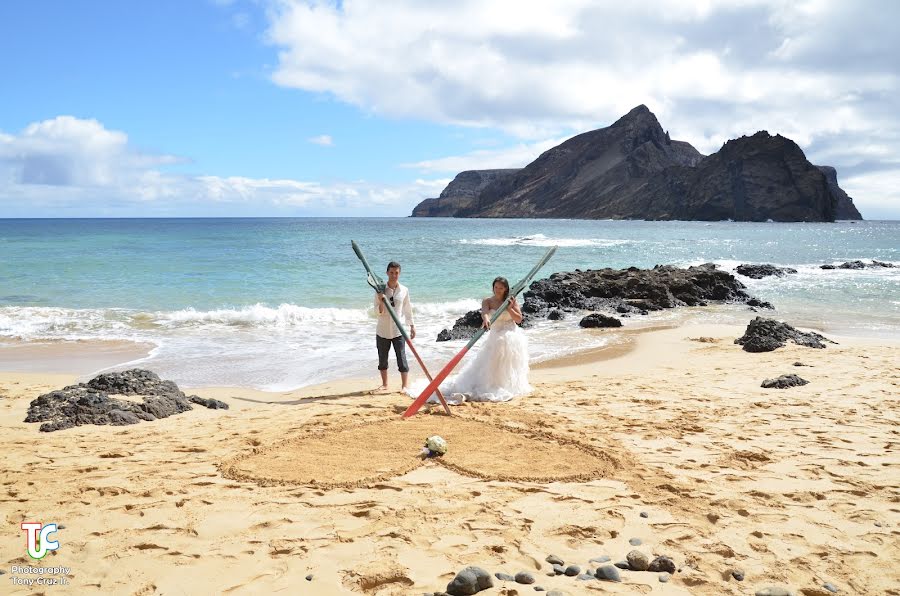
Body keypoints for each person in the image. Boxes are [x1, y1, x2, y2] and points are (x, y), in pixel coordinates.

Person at [440, 276, 531, 403]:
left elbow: (519, 319)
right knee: (495, 354)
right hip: (496, 334)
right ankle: (490, 385)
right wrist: (486, 318)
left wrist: (509, 308)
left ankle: (506, 385)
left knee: (507, 352)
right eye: (496, 287)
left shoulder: (511, 300)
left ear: (506, 289)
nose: (498, 290)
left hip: (511, 333)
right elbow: (485, 313)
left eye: (501, 288)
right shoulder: (487, 301)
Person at [374, 261, 415, 392]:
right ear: (387, 273)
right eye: (391, 273)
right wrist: (381, 300)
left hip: (398, 330)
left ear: (399, 273)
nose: (393, 275)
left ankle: (404, 386)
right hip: (382, 330)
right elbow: (377, 312)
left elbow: (408, 309)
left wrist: (412, 326)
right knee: (383, 359)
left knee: (402, 359)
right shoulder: (380, 290)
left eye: (396, 273)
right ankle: (385, 384)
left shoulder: (404, 290)